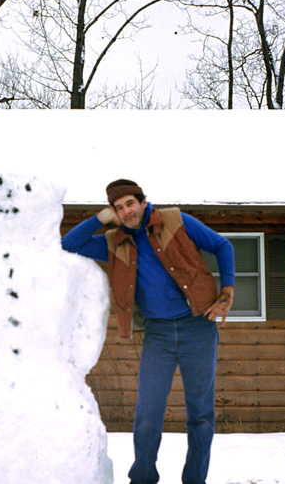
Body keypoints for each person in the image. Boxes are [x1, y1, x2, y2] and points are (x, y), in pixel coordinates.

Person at [62, 178, 235, 484]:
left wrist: (226, 293)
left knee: (200, 413)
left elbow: (223, 245)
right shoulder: (114, 242)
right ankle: (142, 478)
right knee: (148, 412)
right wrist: (99, 219)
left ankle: (195, 480)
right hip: (158, 334)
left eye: (130, 203)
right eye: (118, 208)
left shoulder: (176, 220)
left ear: (142, 201)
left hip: (198, 327)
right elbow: (69, 244)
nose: (126, 211)